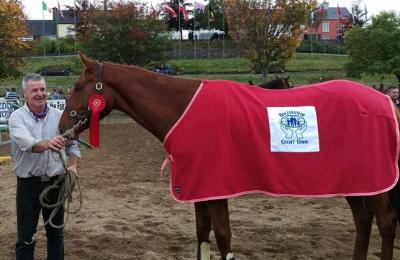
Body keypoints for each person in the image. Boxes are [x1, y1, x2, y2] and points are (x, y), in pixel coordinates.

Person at [8, 73, 80, 260]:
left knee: (56, 233)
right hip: (28, 185)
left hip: (56, 183)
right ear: (25, 93)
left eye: (42, 89)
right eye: (34, 90)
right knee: (26, 237)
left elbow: (73, 143)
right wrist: (48, 143)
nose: (40, 93)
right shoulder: (17, 118)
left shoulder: (60, 116)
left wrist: (72, 166)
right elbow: (26, 142)